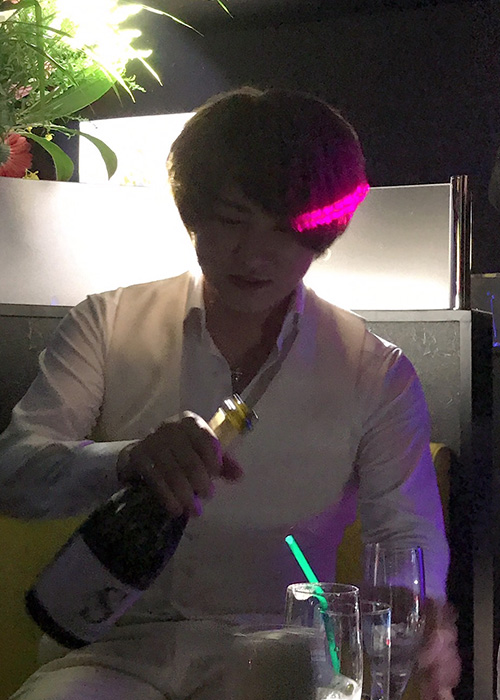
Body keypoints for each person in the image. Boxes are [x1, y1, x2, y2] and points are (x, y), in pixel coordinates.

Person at [0, 87, 459, 700]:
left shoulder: (375, 372)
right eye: (232, 220)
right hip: (112, 654)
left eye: (287, 229)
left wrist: (416, 614)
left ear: (323, 231)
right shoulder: (108, 324)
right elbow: (14, 470)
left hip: (284, 653)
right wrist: (125, 460)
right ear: (193, 212)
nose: (255, 254)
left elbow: (405, 535)